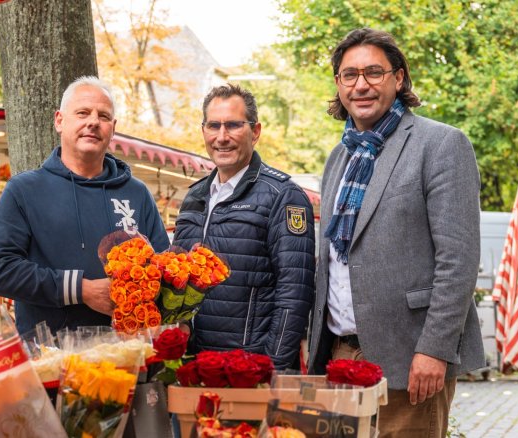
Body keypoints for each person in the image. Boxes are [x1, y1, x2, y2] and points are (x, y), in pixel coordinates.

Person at [306, 28, 485, 437]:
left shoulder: (440, 144)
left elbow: (458, 261)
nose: (361, 85)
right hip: (340, 355)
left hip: (410, 359)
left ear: (399, 78)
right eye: (350, 75)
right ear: (338, 84)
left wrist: (434, 349)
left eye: (374, 72)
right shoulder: (339, 157)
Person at [0, 76, 170, 335]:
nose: (93, 122)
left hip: (128, 350)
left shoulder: (136, 193)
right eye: (83, 113)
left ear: (113, 128)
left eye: (103, 116)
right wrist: (81, 289)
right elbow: (0, 271)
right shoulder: (24, 190)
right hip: (49, 353)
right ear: (59, 121)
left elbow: (164, 268)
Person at [172, 84, 315, 371]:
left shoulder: (284, 196)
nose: (222, 137)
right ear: (203, 131)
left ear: (255, 131)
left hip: (249, 370)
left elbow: (295, 293)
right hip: (193, 366)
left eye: (234, 125)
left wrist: (271, 368)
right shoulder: (194, 196)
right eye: (214, 126)